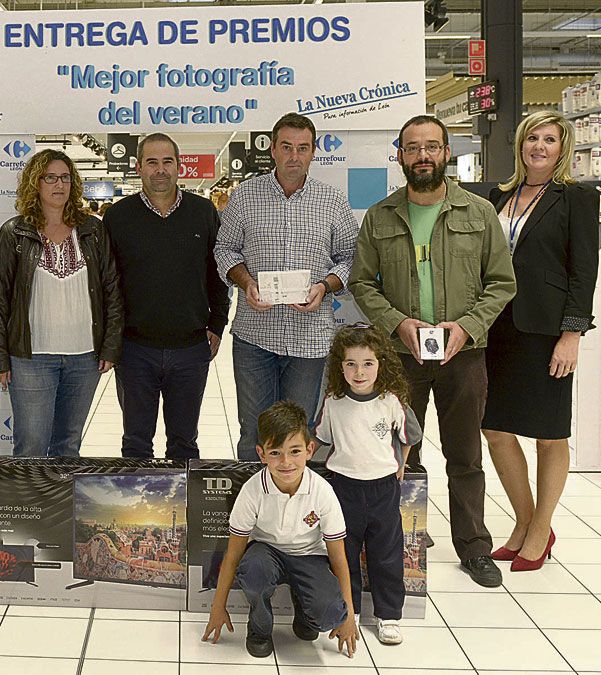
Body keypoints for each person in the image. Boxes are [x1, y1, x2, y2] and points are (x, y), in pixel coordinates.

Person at [348, 114, 516, 588]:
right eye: (412, 148)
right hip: (400, 359)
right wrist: (397, 324)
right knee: (398, 454)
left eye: (432, 147)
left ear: (446, 153)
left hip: (463, 355)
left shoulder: (478, 213)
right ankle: (399, 544)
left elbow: (502, 283)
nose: (422, 156)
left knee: (465, 456)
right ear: (399, 155)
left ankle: (474, 547)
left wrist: (466, 327)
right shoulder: (380, 216)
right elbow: (362, 282)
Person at [483, 111, 600, 571]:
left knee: (549, 435)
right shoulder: (500, 195)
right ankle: (527, 521)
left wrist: (572, 334)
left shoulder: (576, 198)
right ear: (520, 144)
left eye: (549, 139)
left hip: (548, 331)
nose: (539, 146)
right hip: (498, 329)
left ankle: (539, 527)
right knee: (494, 429)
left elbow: (582, 270)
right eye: (532, 137)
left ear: (562, 147)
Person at [214, 113, 359, 460]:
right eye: (287, 147)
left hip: (310, 340)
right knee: (254, 431)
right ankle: (253, 510)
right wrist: (246, 282)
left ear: (312, 153)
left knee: (301, 429)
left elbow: (352, 258)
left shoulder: (333, 201)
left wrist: (323, 286)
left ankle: (294, 511)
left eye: (303, 148)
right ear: (273, 150)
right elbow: (224, 249)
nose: (294, 155)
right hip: (255, 336)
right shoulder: (245, 196)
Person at [0, 149, 122, 457]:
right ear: (36, 183)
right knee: (31, 446)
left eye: (65, 178)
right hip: (30, 359)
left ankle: (62, 507)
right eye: (50, 178)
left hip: (85, 358)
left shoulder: (93, 230)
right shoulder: (15, 232)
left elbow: (112, 290)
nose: (59, 185)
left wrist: (110, 345)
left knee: (68, 446)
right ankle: (31, 506)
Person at [104, 133, 230, 459]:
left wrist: (217, 324)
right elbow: (108, 284)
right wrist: (111, 339)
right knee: (135, 443)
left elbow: (218, 274)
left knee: (184, 444)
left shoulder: (203, 212)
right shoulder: (118, 217)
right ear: (138, 168)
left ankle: (183, 511)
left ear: (178, 167)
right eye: (152, 162)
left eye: (167, 162)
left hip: (190, 349)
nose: (160, 170)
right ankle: (134, 510)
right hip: (134, 351)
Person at [202, 401, 358, 659]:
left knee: (331, 613)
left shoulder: (322, 492)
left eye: (295, 451)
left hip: (309, 556)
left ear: (309, 450)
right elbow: (232, 555)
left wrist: (349, 615)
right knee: (254, 572)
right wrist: (218, 607)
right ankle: (260, 628)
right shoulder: (253, 490)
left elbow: (339, 559)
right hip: (266, 552)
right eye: (275, 453)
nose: (286, 462)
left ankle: (306, 611)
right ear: (262, 454)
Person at [315, 323, 421, 646]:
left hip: (383, 489)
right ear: (340, 366)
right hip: (343, 489)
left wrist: (400, 463)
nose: (359, 372)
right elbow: (320, 438)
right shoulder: (334, 401)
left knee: (386, 552)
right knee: (345, 552)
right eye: (351, 364)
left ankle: (389, 615)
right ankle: (352, 609)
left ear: (380, 364)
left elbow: (410, 436)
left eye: (367, 364)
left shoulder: (391, 401)